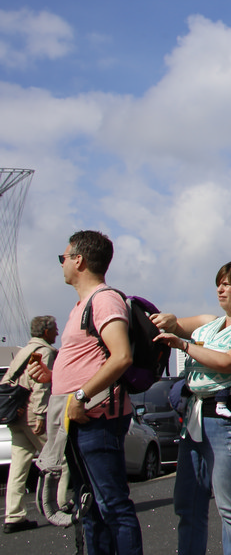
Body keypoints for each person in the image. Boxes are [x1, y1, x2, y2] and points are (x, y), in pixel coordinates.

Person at [36, 230, 144, 555]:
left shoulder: (103, 300)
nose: (61, 264)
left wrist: (81, 396)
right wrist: (54, 377)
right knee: (91, 506)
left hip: (97, 418)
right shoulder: (82, 305)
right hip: (81, 419)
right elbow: (89, 360)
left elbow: (121, 356)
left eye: (63, 258)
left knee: (112, 505)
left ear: (79, 260)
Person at [152, 259, 231, 555]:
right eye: (219, 283)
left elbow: (230, 362)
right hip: (196, 419)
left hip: (229, 422)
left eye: (227, 283)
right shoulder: (209, 322)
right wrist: (168, 321)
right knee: (187, 503)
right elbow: (176, 325)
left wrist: (184, 345)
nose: (220, 289)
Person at [3, 315, 57, 534]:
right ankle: (60, 506)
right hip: (33, 414)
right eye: (54, 329)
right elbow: (41, 385)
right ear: (45, 332)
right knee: (59, 459)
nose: (57, 333)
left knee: (18, 467)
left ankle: (13, 515)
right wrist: (41, 414)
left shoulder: (23, 352)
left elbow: (8, 380)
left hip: (15, 415)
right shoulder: (45, 352)